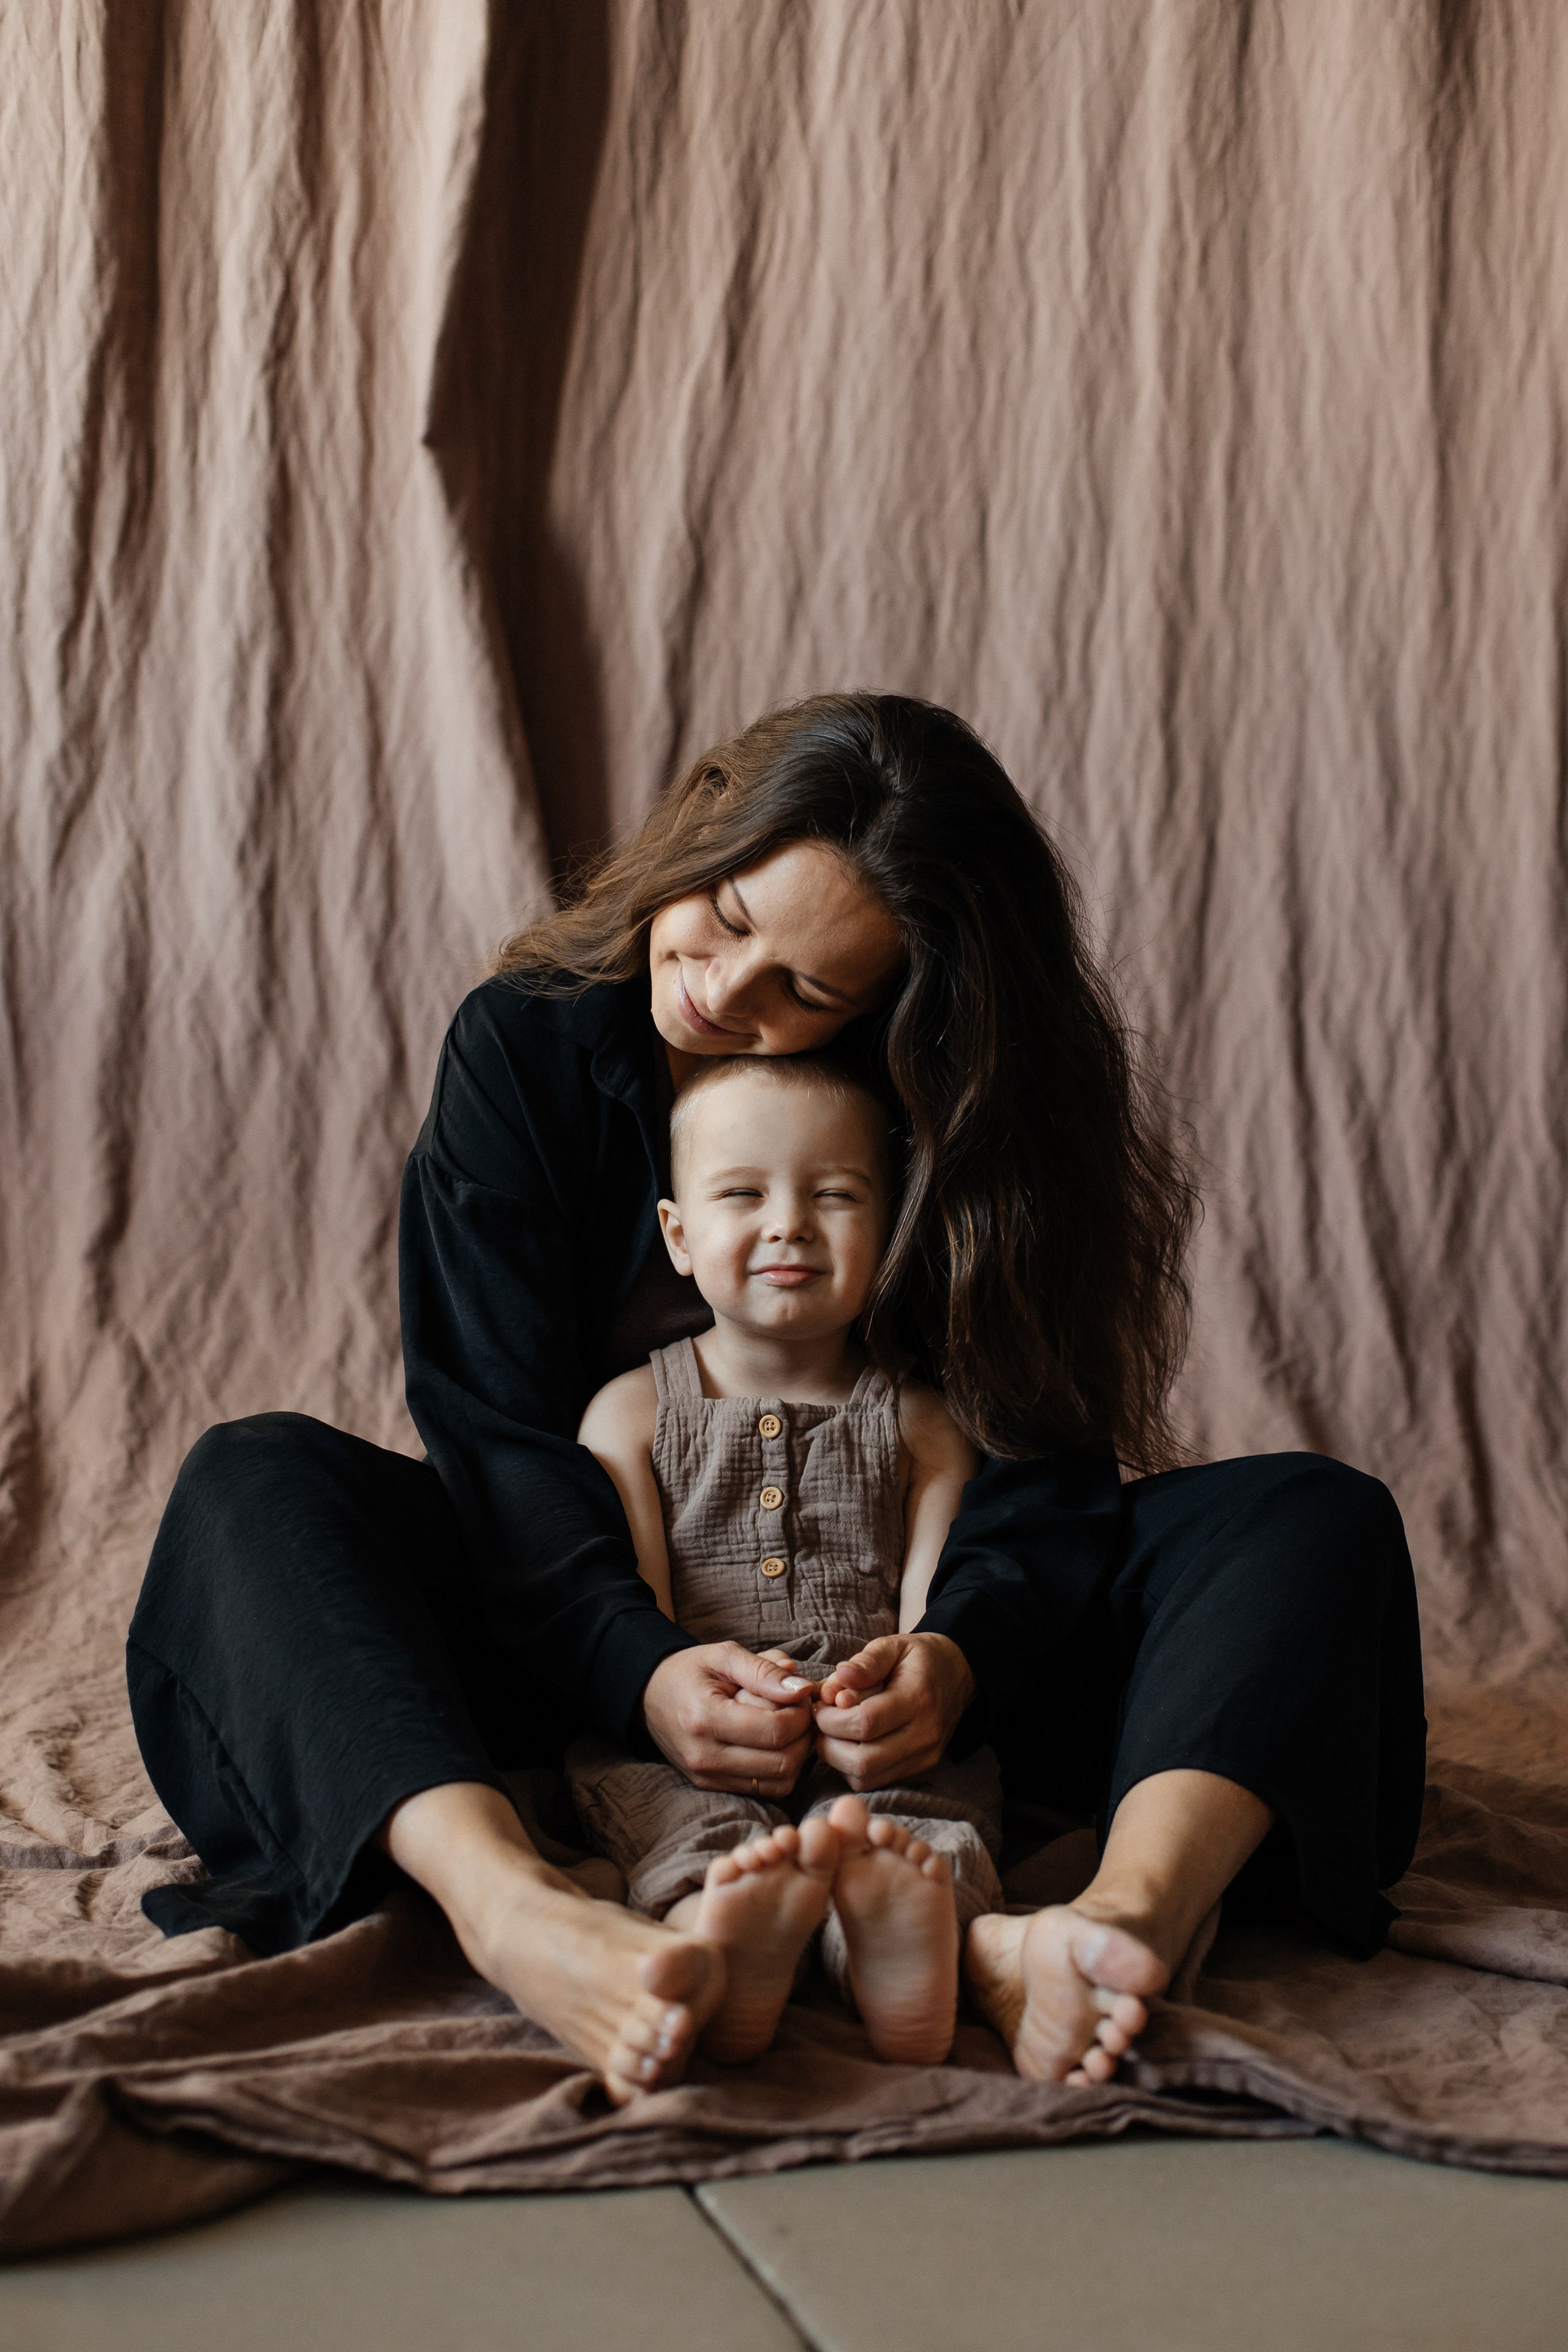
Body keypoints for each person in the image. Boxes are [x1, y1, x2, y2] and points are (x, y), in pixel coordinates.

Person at [127, 692, 1425, 2106]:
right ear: (707, 825)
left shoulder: (971, 1111)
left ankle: (1108, 1928)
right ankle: (520, 1911)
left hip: (907, 1671)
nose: (724, 994)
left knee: (1311, 1517)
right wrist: (639, 1667)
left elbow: (1034, 1457)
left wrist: (954, 1656)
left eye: (807, 992)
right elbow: (493, 1432)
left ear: (894, 1008)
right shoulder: (527, 1046)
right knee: (252, 1485)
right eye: (731, 915)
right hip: (575, 1630)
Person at [568, 1051, 1001, 2068]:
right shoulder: (628, 1413)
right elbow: (634, 1619)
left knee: (920, 1818)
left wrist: (885, 1699)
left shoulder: (926, 1424)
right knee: (675, 1821)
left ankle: (893, 1946)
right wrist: (704, 1705)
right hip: (699, 1734)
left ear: (887, 1230)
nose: (790, 1223)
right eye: (742, 1194)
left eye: (835, 1195)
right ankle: (717, 1941)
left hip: (867, 1735)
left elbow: (932, 1621)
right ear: (679, 1235)